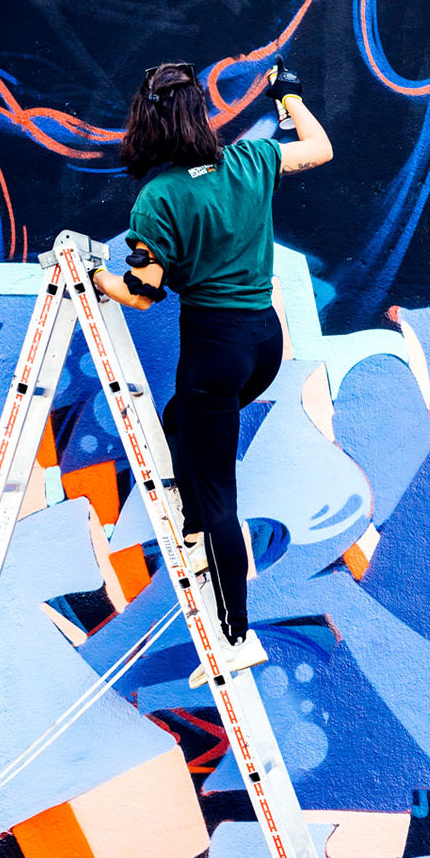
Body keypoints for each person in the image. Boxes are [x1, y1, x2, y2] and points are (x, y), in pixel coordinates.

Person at [91, 59, 332, 679]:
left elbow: (142, 294)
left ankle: (235, 636)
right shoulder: (250, 159)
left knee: (220, 495)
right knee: (179, 422)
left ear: (148, 125)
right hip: (263, 342)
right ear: (199, 114)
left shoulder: (160, 198)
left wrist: (96, 278)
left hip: (213, 352)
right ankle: (195, 522)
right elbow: (319, 148)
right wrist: (287, 97)